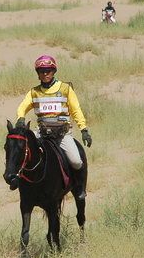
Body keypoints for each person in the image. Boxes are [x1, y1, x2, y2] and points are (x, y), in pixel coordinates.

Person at [15, 54, 91, 190]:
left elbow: (76, 110)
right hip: (42, 134)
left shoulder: (65, 89)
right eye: (41, 71)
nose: (45, 74)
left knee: (76, 161)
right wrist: (21, 118)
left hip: (62, 135)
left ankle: (79, 188)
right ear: (38, 74)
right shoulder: (34, 92)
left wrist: (84, 129)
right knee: (21, 152)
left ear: (54, 71)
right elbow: (22, 107)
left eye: (48, 70)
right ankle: (18, 182)